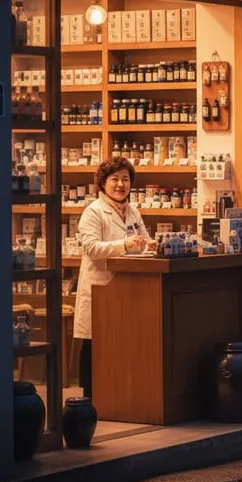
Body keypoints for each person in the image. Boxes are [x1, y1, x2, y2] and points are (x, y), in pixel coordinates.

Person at [73, 157, 154, 400]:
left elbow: (143, 241)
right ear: (103, 183)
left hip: (127, 289)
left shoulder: (132, 210)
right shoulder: (93, 212)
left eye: (126, 179)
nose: (121, 185)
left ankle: (118, 395)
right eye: (115, 179)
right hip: (101, 288)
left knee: (120, 344)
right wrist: (125, 245)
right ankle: (89, 398)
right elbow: (91, 247)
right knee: (95, 346)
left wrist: (151, 244)